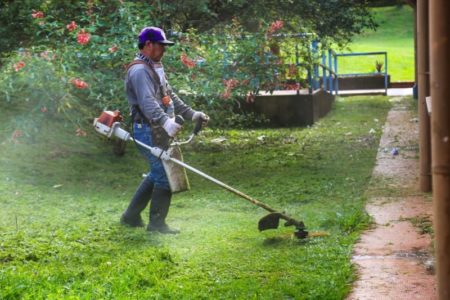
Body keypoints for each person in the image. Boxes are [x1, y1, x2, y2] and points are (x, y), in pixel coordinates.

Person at [120, 26, 209, 234]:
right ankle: (157, 225)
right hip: (148, 129)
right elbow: (148, 102)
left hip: (158, 129)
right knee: (163, 175)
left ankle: (130, 216)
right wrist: (165, 121)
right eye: (161, 45)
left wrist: (190, 113)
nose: (164, 50)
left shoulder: (154, 66)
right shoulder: (140, 70)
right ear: (148, 45)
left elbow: (169, 95)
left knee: (156, 173)